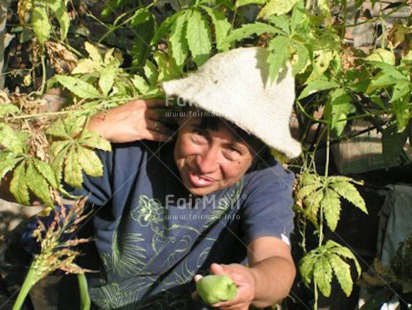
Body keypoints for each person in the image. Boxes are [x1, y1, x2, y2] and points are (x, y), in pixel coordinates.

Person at [21, 47, 300, 309]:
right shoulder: (132, 152)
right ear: (181, 116)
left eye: (232, 151)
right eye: (199, 135)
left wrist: (252, 283)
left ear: (258, 153)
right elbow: (18, 189)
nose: (206, 164)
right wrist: (91, 129)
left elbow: (276, 264)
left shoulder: (264, 181)